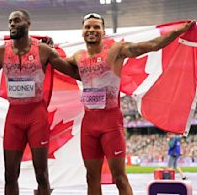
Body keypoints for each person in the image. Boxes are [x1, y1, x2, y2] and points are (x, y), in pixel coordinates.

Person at [64, 13, 195, 195]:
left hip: (111, 123)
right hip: (89, 125)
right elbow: (56, 62)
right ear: (82, 31)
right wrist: (46, 48)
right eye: (88, 27)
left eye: (96, 27)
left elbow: (152, 45)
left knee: (120, 177)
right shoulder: (78, 57)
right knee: (91, 178)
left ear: (103, 31)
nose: (92, 30)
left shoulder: (116, 50)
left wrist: (177, 32)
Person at [0, 10, 79, 195]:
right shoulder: (2, 52)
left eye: (16, 21)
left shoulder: (43, 51)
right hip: (14, 117)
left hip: (37, 116)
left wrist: (99, 73)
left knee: (41, 175)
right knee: (10, 175)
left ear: (28, 24)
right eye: (10, 21)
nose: (12, 24)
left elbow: (72, 72)